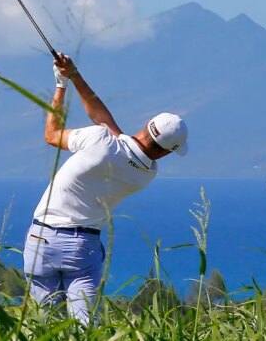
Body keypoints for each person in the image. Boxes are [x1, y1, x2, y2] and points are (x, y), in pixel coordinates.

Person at [23, 52, 189, 324]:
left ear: (147, 126)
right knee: (86, 327)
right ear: (165, 153)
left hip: (41, 238)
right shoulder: (146, 173)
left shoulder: (101, 140)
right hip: (82, 247)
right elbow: (108, 125)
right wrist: (74, 75)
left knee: (44, 326)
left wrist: (62, 84)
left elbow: (52, 135)